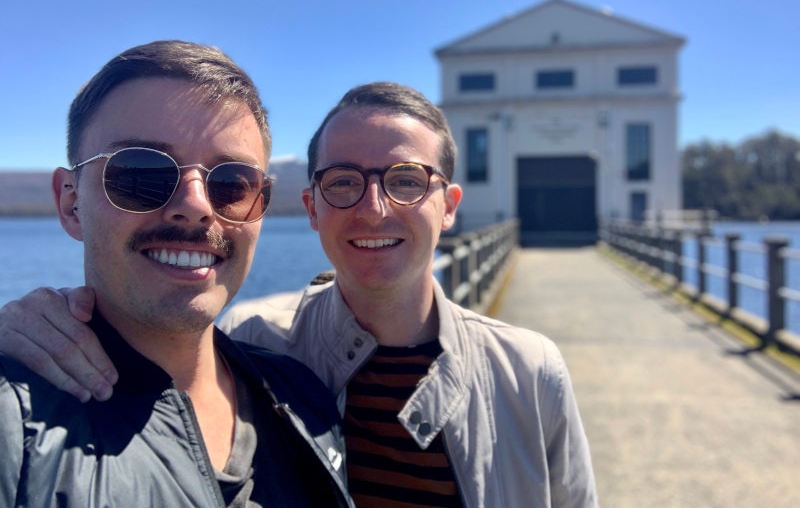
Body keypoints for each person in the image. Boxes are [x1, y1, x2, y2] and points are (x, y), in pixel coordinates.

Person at [0, 82, 598, 507]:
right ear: (311, 208)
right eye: (343, 183)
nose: (373, 208)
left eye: (407, 181)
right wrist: (26, 323)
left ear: (449, 207)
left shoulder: (529, 370)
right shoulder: (257, 345)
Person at [0, 40, 352, 507]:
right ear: (70, 202)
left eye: (231, 184)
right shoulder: (18, 427)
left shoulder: (303, 399)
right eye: (141, 173)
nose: (195, 207)